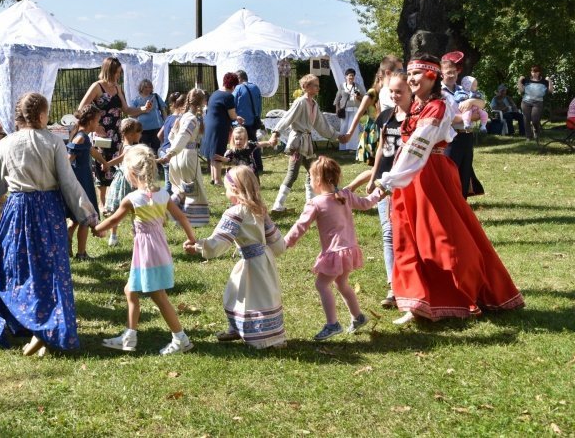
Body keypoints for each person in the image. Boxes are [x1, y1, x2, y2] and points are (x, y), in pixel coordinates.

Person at [374, 54, 525, 324]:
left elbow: (417, 146)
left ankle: (460, 292)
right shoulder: (416, 105)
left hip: (431, 176)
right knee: (409, 238)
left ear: (432, 76)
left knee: (443, 238)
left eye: (416, 74)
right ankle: (417, 299)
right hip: (410, 178)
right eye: (409, 75)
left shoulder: (439, 106)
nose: (411, 80)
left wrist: (389, 180)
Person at [0, 93, 99, 357]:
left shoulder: (6, 143)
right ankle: (44, 330)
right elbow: (68, 182)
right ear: (42, 115)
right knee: (51, 270)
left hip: (17, 212)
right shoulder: (53, 141)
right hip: (48, 212)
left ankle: (37, 329)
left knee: (18, 269)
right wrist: (89, 215)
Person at [95, 145, 197, 355]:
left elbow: (114, 219)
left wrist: (95, 228)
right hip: (156, 250)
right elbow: (182, 217)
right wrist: (191, 239)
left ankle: (181, 339)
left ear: (132, 173)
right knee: (130, 290)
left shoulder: (132, 199)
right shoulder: (163, 195)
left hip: (148, 253)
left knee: (157, 295)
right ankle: (129, 337)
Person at [184, 165, 287, 349]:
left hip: (252, 262)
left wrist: (198, 246)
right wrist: (274, 251)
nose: (224, 193)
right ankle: (246, 330)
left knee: (253, 297)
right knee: (252, 294)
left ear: (235, 189)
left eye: (225, 189)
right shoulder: (259, 209)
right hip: (264, 259)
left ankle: (261, 338)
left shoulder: (235, 213)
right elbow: (276, 240)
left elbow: (220, 242)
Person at [283, 156, 381, 340]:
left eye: (310, 177)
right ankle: (358, 317)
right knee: (341, 284)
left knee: (322, 284)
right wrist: (380, 192)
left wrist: (285, 242)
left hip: (335, 253)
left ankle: (332, 324)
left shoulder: (316, 203)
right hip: (349, 250)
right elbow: (367, 203)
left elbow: (300, 226)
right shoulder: (345, 195)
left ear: (317, 180)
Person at [268, 75, 351, 212]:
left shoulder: (314, 104)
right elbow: (287, 118)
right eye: (315, 85)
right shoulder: (300, 102)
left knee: (312, 172)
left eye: (318, 85)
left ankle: (310, 203)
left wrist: (337, 136)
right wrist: (275, 133)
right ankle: (278, 205)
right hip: (297, 142)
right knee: (293, 174)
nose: (318, 88)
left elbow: (322, 125)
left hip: (307, 143)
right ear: (306, 87)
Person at [77, 57, 150, 211]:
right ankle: (101, 203)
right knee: (100, 166)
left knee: (113, 166)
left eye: (119, 73)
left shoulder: (117, 88)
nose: (118, 76)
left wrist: (143, 109)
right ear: (109, 71)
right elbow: (80, 110)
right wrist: (95, 128)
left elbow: (127, 110)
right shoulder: (97, 87)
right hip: (101, 134)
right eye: (116, 73)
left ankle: (111, 200)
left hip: (116, 134)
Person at [366, 73, 412, 308]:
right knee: (387, 232)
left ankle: (411, 284)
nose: (394, 96)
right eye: (392, 91)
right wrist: (373, 177)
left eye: (399, 91)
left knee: (408, 233)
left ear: (411, 91)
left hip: (406, 182)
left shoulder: (418, 118)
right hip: (384, 181)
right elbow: (381, 149)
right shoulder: (385, 116)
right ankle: (393, 287)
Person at [159, 88, 209, 227]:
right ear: (202, 102)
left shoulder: (182, 117)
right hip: (186, 156)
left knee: (182, 190)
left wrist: (172, 152)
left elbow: (171, 136)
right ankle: (186, 220)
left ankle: (169, 213)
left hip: (178, 157)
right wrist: (171, 152)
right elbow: (182, 137)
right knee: (192, 189)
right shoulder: (191, 119)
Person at [67, 104, 109, 260]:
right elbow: (68, 160)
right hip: (81, 183)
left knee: (77, 218)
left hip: (83, 180)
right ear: (91, 121)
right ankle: (81, 253)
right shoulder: (80, 138)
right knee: (85, 218)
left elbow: (91, 150)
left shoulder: (83, 136)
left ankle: (67, 240)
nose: (98, 124)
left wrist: (104, 162)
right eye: (97, 121)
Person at [440, 58, 483, 198]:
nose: (452, 75)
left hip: (467, 135)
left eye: (454, 72)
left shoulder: (463, 89)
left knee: (465, 175)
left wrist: (471, 101)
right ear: (441, 74)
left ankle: (462, 206)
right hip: (452, 138)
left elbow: (482, 104)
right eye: (448, 72)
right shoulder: (439, 93)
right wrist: (470, 117)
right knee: (450, 174)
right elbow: (447, 117)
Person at [104, 118, 143, 247]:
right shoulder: (130, 148)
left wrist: (107, 164)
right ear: (131, 134)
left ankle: (114, 236)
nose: (140, 135)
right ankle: (136, 235)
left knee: (118, 210)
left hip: (121, 179)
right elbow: (120, 159)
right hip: (128, 181)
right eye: (139, 132)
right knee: (134, 209)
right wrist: (108, 164)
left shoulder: (123, 145)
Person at [201, 72, 245, 185]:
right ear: (234, 85)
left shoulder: (215, 93)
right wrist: (238, 118)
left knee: (212, 152)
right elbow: (232, 115)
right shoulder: (228, 96)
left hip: (209, 124)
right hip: (219, 126)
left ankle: (213, 177)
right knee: (218, 153)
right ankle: (218, 180)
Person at [232, 69, 264, 174]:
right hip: (254, 120)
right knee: (254, 144)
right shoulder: (255, 87)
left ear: (239, 78)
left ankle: (243, 166)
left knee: (241, 144)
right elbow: (259, 105)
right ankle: (258, 165)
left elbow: (233, 104)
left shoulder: (238, 88)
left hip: (241, 122)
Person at [157, 92, 185, 195]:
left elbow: (159, 135)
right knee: (173, 183)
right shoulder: (181, 120)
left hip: (163, 151)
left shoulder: (168, 118)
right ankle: (164, 201)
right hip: (172, 153)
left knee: (168, 180)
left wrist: (165, 144)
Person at [130, 79, 167, 153]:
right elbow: (131, 114)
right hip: (143, 129)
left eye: (149, 87)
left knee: (156, 149)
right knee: (144, 149)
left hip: (157, 127)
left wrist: (166, 123)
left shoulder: (155, 97)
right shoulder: (136, 100)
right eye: (146, 87)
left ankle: (156, 163)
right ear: (141, 88)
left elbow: (163, 110)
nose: (148, 89)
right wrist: (143, 111)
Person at [334, 68, 363, 152]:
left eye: (353, 76)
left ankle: (352, 147)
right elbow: (337, 99)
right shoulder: (342, 86)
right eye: (350, 75)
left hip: (355, 110)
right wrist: (337, 110)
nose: (351, 77)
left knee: (353, 128)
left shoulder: (357, 86)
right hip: (344, 110)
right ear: (346, 76)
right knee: (343, 128)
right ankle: (343, 147)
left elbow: (364, 98)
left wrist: (358, 97)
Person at [518, 65, 549, 141]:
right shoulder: (526, 80)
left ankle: (535, 130)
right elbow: (521, 91)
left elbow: (550, 91)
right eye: (532, 72)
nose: (534, 73)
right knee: (526, 119)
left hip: (538, 102)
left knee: (535, 119)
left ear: (539, 72)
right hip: (526, 102)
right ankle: (528, 136)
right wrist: (519, 81)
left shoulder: (544, 81)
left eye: (536, 72)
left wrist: (550, 81)